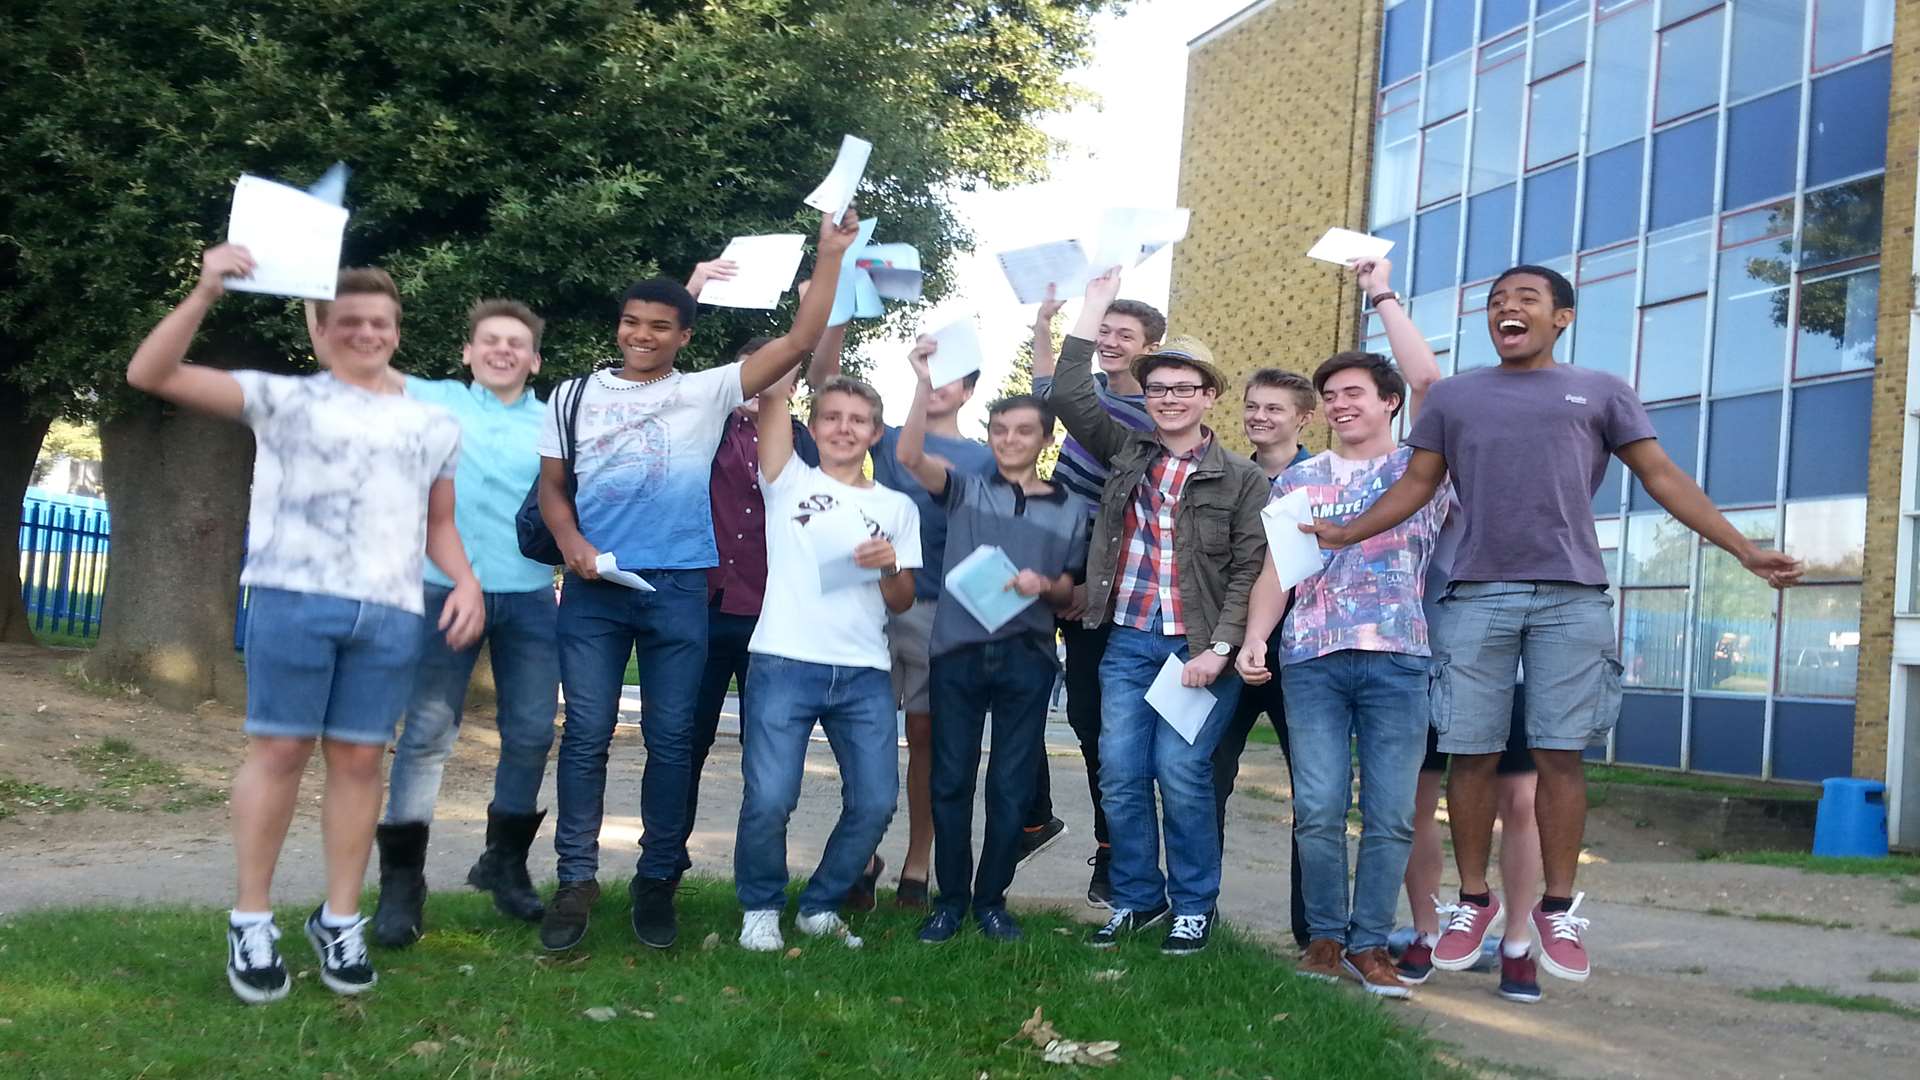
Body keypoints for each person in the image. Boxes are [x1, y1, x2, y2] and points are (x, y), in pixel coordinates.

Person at [1302, 263, 1803, 982]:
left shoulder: (1600, 391)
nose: (1508, 309)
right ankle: (1471, 901)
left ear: (1561, 317)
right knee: (1471, 752)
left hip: (1573, 595)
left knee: (1559, 753)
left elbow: (1662, 476)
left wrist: (1744, 549)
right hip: (1476, 597)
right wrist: (1349, 532)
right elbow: (1418, 484)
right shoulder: (1455, 397)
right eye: (1496, 302)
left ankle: (1556, 907)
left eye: (1525, 299)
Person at [126, 247, 482, 1003]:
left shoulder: (435, 422)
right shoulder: (279, 398)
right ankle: (250, 919)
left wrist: (467, 583)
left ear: (396, 329)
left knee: (359, 764)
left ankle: (340, 918)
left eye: (378, 322)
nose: (364, 332)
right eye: (346, 321)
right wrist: (204, 291)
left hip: (388, 610)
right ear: (318, 332)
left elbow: (439, 523)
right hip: (293, 597)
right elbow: (149, 374)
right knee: (281, 752)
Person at [535, 210, 862, 952]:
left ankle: (657, 884)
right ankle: (576, 881)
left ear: (685, 336)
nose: (641, 335)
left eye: (659, 326)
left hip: (679, 589)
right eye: (631, 322)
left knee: (673, 739)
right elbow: (554, 489)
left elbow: (799, 342)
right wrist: (573, 544)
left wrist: (831, 255)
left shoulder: (707, 392)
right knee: (585, 734)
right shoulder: (569, 396)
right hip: (593, 592)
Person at [1052, 268, 1269, 955]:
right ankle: (1137, 900)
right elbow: (1065, 392)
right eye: (1158, 389)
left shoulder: (1243, 478)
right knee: (1119, 770)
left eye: (1184, 388)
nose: (1170, 399)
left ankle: (1193, 904)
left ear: (1209, 396)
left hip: (1196, 650)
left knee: (1179, 772)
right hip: (1127, 640)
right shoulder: (1128, 451)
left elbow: (1248, 570)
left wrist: (1220, 649)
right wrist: (1091, 306)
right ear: (1144, 398)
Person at [1237, 342, 1446, 998]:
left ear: (1390, 402)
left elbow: (1433, 383)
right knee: (1320, 807)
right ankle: (1325, 940)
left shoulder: (1428, 467)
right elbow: (1278, 569)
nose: (1340, 404)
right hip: (1313, 661)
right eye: (1331, 396)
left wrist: (1380, 291)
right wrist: (1254, 638)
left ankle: (1372, 945)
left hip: (1400, 657)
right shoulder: (1298, 481)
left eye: (1354, 392)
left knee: (1391, 814)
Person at [371, 300, 562, 949]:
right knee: (426, 733)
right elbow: (354, 355)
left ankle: (503, 863)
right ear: (468, 352)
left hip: (532, 598)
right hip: (441, 591)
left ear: (534, 359)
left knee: (534, 732)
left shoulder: (553, 420)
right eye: (490, 340)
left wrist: (695, 289)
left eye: (516, 343)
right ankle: (402, 883)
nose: (503, 350)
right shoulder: (434, 399)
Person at [894, 337, 1088, 944]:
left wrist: (1046, 583)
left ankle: (992, 902)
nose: (1008, 440)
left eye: (1023, 431)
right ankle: (949, 901)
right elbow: (907, 454)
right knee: (950, 777)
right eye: (1000, 429)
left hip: (1027, 657)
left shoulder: (1072, 508)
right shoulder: (964, 487)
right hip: (956, 651)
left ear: (1044, 439)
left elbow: (1075, 594)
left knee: (1009, 783)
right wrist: (922, 380)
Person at [805, 321, 996, 910]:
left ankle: (918, 864)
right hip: (870, 603)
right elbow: (822, 381)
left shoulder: (985, 457)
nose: (938, 385)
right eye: (930, 373)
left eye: (952, 379)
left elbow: (993, 541)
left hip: (943, 612)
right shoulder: (883, 438)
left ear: (967, 392)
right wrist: (838, 309)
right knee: (861, 733)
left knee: (927, 739)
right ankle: (861, 855)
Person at [734, 374, 920, 951]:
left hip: (864, 670)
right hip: (784, 661)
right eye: (832, 417)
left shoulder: (896, 506)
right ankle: (760, 907)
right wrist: (780, 379)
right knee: (769, 798)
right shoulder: (788, 481)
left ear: (875, 433)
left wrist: (890, 565)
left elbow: (903, 600)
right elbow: (770, 402)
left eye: (857, 419)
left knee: (875, 801)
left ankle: (820, 905)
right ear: (812, 429)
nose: (844, 428)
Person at [681, 259, 823, 888]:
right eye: (759, 372)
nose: (771, 382)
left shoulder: (808, 443)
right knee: (684, 745)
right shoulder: (699, 428)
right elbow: (661, 377)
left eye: (783, 372)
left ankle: (758, 877)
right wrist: (693, 289)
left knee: (769, 761)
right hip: (701, 612)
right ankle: (667, 863)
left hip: (772, 619)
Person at [1028, 282, 1165, 906]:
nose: (1110, 342)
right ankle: (1032, 818)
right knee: (1008, 687)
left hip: (1099, 576)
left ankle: (1113, 853)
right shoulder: (1091, 395)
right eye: (1103, 331)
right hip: (1046, 555)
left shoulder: (1148, 422)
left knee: (1092, 720)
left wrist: (1088, 584)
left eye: (1124, 335)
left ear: (1149, 350)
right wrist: (1041, 327)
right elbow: (1044, 395)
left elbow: (1063, 391)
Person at [1210, 367, 1316, 946]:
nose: (1259, 416)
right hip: (1230, 644)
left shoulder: (1321, 479)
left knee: (1313, 789)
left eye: (1274, 408)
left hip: (1302, 650)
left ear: (1304, 416)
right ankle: (1197, 910)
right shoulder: (1228, 478)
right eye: (1252, 406)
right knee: (1204, 775)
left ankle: (1313, 928)